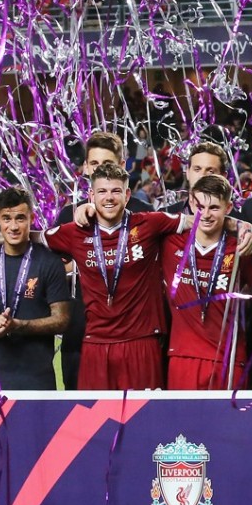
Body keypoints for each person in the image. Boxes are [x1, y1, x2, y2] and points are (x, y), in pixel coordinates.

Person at [36, 163, 250, 389]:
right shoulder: (74, 231)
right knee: (95, 419)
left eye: (116, 191)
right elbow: (31, 238)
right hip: (96, 343)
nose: (109, 198)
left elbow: (199, 219)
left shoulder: (150, 223)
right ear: (91, 195)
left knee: (145, 421)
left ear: (127, 195)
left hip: (142, 342)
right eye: (102, 191)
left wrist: (243, 226)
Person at [54, 131, 153, 390]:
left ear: (122, 166)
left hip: (134, 337)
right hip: (80, 333)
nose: (100, 169)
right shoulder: (68, 215)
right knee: (84, 417)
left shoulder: (144, 215)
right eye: (94, 164)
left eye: (107, 164)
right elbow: (49, 257)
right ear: (86, 167)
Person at [162, 175, 252, 390]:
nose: (206, 214)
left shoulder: (241, 248)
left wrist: (245, 228)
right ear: (191, 202)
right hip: (183, 358)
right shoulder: (169, 242)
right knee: (183, 424)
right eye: (200, 206)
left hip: (228, 359)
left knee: (228, 424)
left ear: (228, 207)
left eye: (214, 207)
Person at [0, 187, 69, 389]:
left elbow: (62, 320)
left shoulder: (50, 263)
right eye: (7, 218)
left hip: (38, 379)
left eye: (20, 218)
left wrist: (18, 325)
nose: (13, 226)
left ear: (31, 218)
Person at [161, 140, 232, 215]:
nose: (202, 176)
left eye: (210, 171)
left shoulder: (240, 221)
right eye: (197, 169)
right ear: (187, 173)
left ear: (223, 177)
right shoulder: (165, 216)